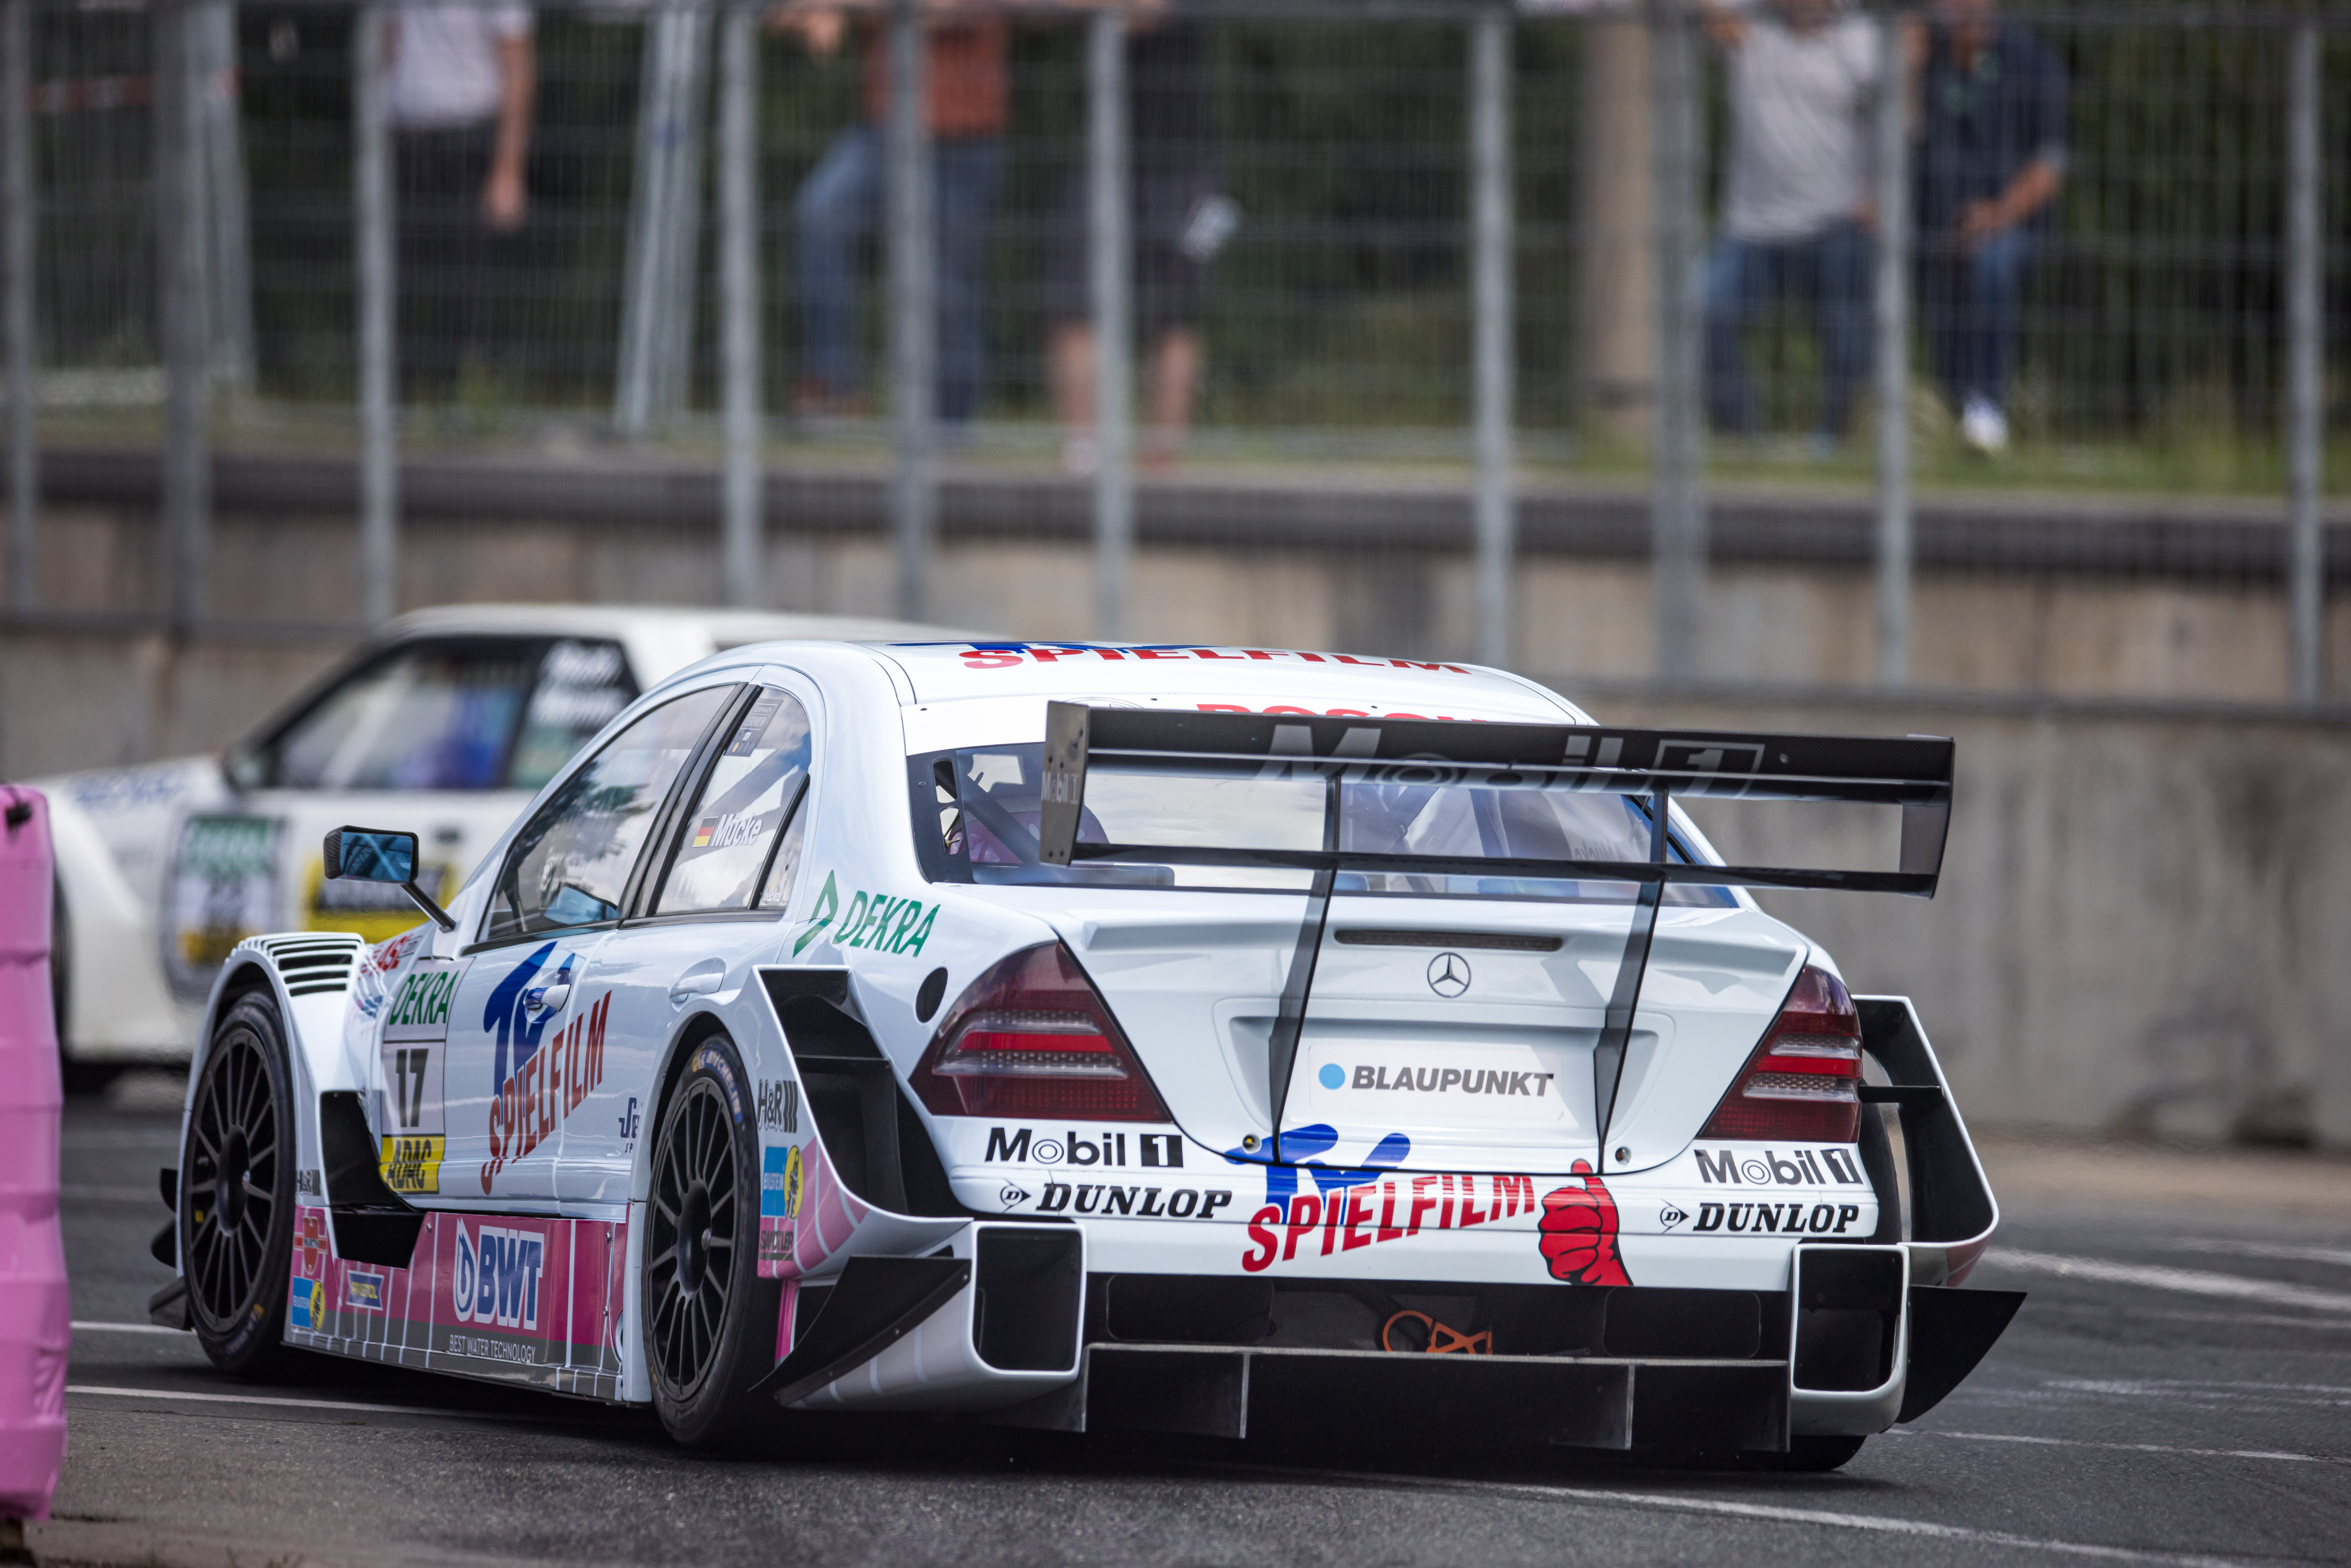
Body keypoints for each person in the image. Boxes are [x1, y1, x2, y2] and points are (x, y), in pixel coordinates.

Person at [777, 0, 1008, 426]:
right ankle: (833, 385)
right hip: (884, 130)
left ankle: (951, 425)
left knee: (946, 284)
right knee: (822, 214)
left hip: (961, 137)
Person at [1044, 5, 1228, 474]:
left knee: (1174, 317)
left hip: (1183, 168)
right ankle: (1086, 458)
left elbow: (1143, 11)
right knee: (1072, 305)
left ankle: (1159, 462)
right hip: (1102, 159)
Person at [1699, 0, 1881, 448]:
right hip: (1754, 228)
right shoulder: (1750, 30)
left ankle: (1833, 438)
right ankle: (1743, 436)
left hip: (1835, 219)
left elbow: (1896, 119)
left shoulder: (1861, 40)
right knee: (1704, 308)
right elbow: (1708, 13)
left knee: (1846, 331)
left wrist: (1877, 192)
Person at [1913, 0, 2066, 454]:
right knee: (1876, 256)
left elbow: (2049, 168)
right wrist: (1905, 71)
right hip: (1935, 225)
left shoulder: (2032, 62)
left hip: (2009, 226)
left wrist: (1996, 215)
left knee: (1991, 267)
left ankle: (1986, 410)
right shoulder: (1926, 60)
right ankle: (1935, 410)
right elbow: (1900, 135)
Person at [382, 1, 536, 399]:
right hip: (405, 134)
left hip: (469, 136)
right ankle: (394, 399)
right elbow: (384, 40)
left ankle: (458, 399)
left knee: (463, 281)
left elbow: (517, 63)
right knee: (395, 275)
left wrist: (508, 170)